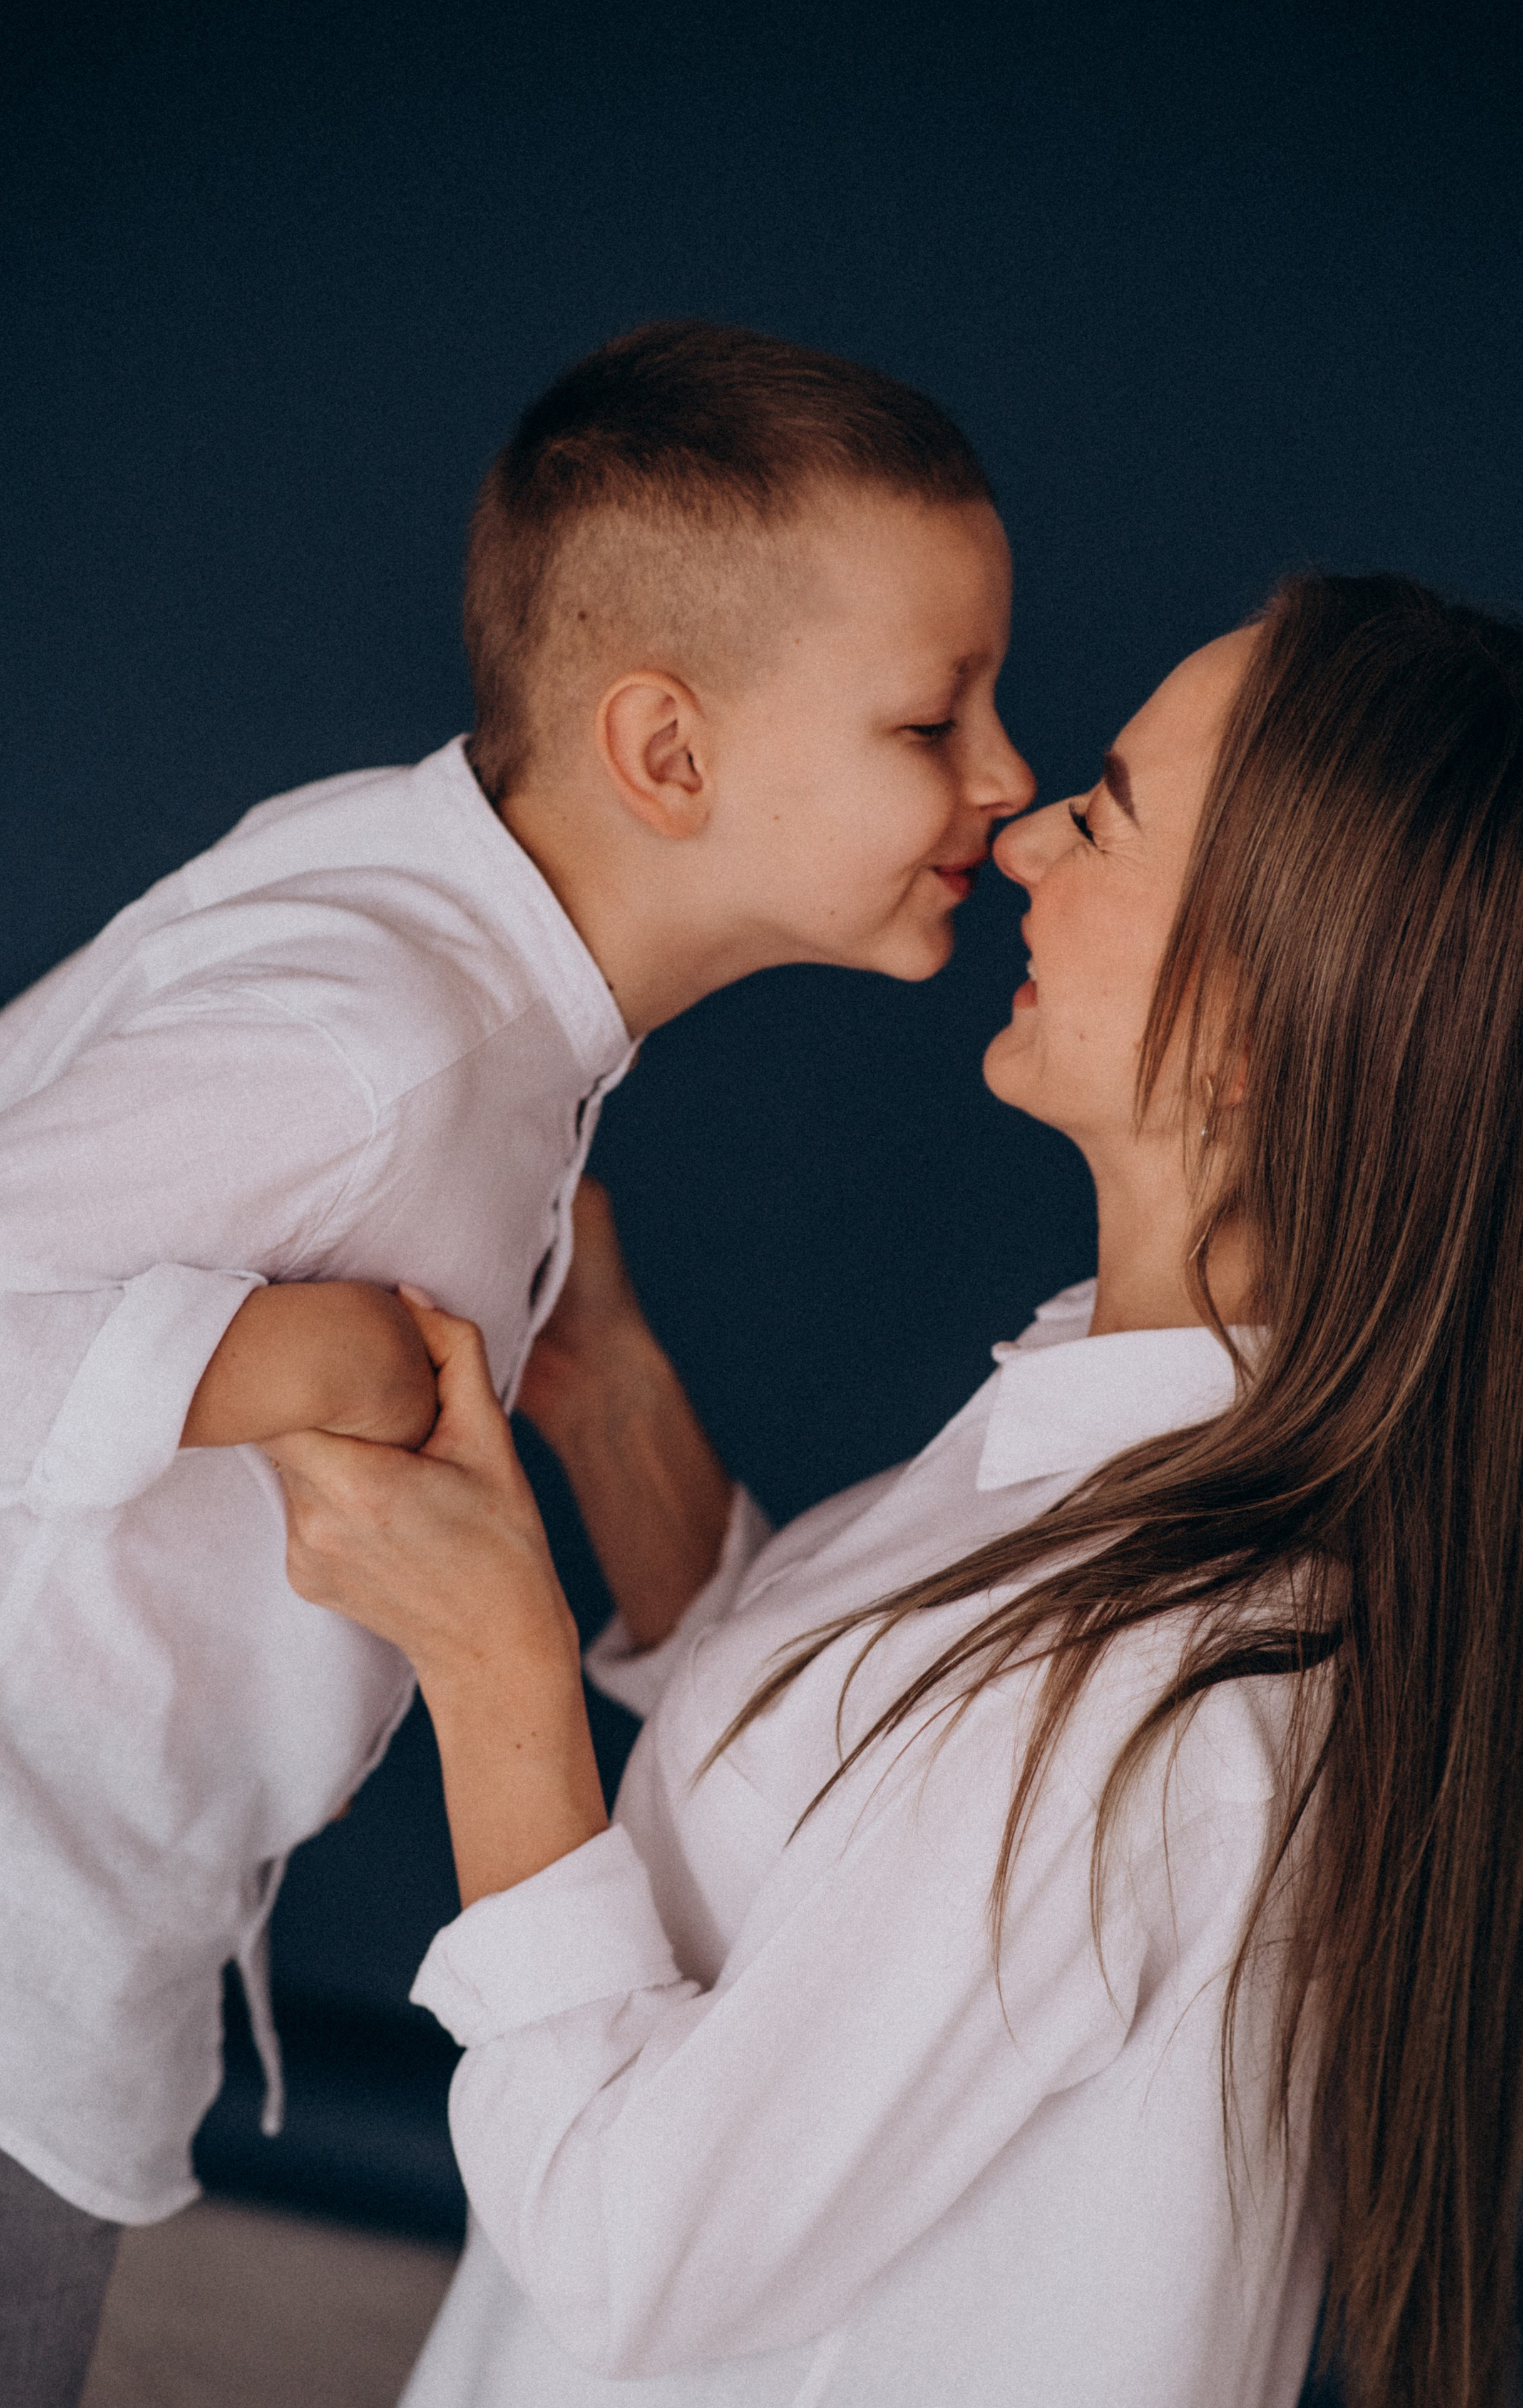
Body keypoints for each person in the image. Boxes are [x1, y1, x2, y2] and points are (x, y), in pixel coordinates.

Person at [277, 570, 1523, 2408]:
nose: (1033, 829)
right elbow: (848, 1806)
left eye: (1111, 816)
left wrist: (492, 1666)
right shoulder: (1122, 1442)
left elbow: (626, 2247)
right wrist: (616, 1407)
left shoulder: (1158, 1686)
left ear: (1258, 1027)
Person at [0, 320, 1033, 2404]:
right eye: (937, 720)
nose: (1010, 781)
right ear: (670, 757)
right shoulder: (381, 1039)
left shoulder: (440, 939)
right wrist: (296, 1355)